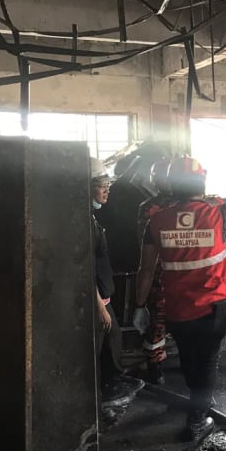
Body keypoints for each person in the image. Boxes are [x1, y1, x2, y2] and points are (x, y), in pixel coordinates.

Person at [133, 154, 226, 441]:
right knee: (207, 361)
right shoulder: (218, 214)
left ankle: (199, 400)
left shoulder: (157, 221)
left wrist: (140, 306)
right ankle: (198, 418)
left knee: (191, 360)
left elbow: (145, 269)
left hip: (177, 309)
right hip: (212, 308)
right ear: (201, 182)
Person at [90, 158, 144, 408]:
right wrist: (99, 305)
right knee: (104, 349)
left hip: (103, 297)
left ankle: (112, 386)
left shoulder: (91, 218)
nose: (107, 189)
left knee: (113, 345)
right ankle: (105, 398)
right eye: (102, 184)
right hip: (97, 300)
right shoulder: (82, 224)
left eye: (107, 183)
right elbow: (82, 267)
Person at [135, 157, 175, 384]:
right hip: (183, 276)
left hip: (157, 277)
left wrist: (139, 302)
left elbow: (143, 249)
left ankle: (155, 369)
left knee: (156, 324)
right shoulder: (191, 207)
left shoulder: (147, 208)